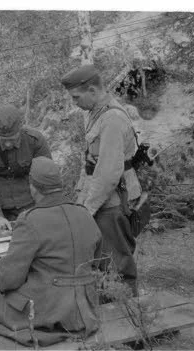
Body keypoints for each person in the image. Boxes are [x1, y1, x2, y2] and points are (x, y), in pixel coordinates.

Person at [0, 156, 102, 347]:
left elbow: (8, 279)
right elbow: (96, 262)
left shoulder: (30, 220)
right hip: (85, 311)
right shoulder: (85, 214)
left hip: (48, 315)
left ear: (33, 186)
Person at [61, 64, 142, 295]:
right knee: (100, 263)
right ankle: (109, 311)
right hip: (100, 198)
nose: (74, 102)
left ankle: (130, 317)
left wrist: (87, 209)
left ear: (93, 91)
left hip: (113, 201)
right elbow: (88, 161)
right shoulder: (94, 113)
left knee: (117, 263)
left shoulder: (112, 119)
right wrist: (80, 195)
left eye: (77, 96)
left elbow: (107, 174)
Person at [0, 104, 51, 231]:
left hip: (28, 203)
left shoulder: (35, 139)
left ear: (21, 128)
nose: (8, 144)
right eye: (3, 140)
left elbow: (46, 177)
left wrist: (45, 208)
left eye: (12, 139)